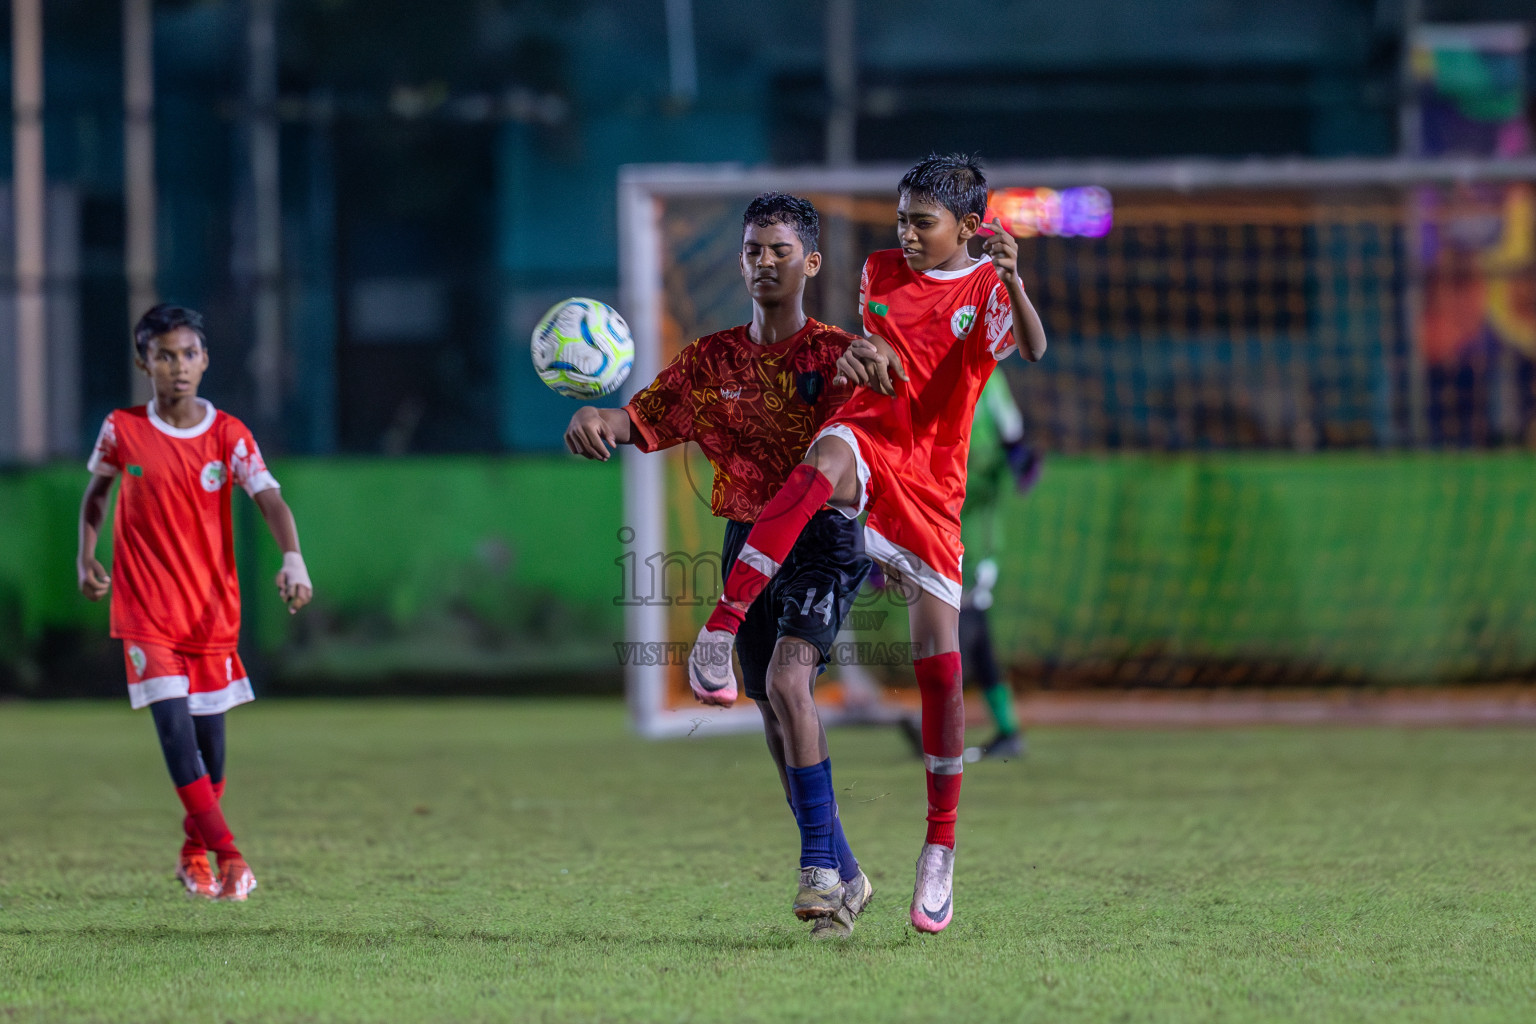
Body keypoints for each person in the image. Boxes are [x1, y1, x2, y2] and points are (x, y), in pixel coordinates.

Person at [691, 154, 1049, 934]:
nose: (908, 235)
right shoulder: (881, 272)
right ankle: (720, 630)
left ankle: (940, 849)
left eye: (924, 223)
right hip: (870, 440)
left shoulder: (988, 286)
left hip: (933, 483)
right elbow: (882, 361)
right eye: (902, 220)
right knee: (821, 459)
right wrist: (860, 357)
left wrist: (1017, 282)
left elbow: (1032, 346)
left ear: (969, 226)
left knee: (941, 669)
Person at [564, 193, 874, 939]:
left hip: (822, 544)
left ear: (811, 261)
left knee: (786, 681)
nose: (764, 261)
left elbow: (873, 454)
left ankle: (819, 874)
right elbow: (635, 420)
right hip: (746, 548)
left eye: (779, 249)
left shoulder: (838, 357)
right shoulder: (711, 362)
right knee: (771, 711)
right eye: (753, 250)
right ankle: (849, 869)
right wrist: (590, 416)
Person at [76, 304, 313, 901]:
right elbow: (96, 496)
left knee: (212, 747)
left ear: (205, 360)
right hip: (145, 613)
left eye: (187, 354)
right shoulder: (122, 429)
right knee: (176, 734)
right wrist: (86, 556)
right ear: (143, 362)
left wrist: (293, 558)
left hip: (210, 613)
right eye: (163, 356)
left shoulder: (227, 434)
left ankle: (192, 854)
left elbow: (271, 500)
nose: (177, 366)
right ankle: (229, 856)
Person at [898, 373, 1042, 762]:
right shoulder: (930, 373)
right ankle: (1005, 729)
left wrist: (1019, 458)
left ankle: (941, 724)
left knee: (962, 623)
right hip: (940, 530)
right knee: (972, 634)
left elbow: (1013, 437)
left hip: (974, 539)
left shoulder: (988, 377)